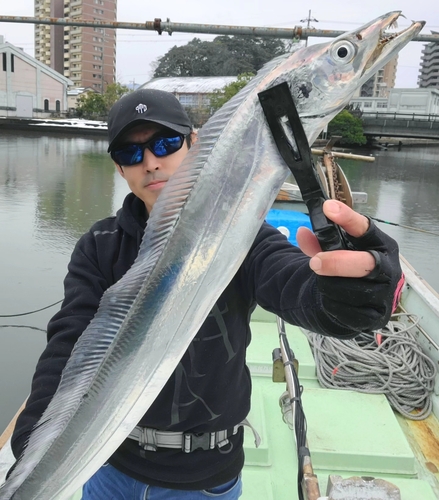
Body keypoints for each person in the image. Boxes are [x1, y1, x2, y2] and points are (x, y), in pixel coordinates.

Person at [10, 88, 403, 499]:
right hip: (108, 466)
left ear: (195, 145)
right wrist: (29, 459)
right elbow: (69, 346)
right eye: (131, 153)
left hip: (204, 480)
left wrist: (358, 291)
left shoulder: (243, 237)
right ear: (119, 168)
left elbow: (303, 293)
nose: (151, 162)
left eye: (165, 143)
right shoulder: (100, 245)